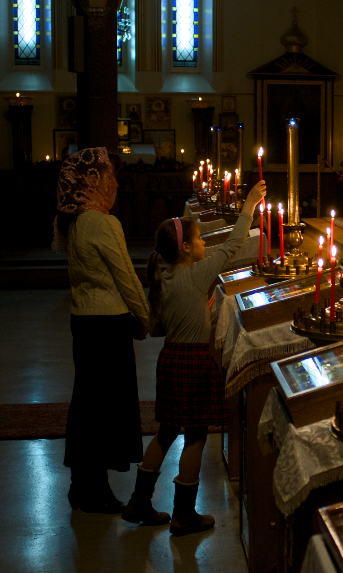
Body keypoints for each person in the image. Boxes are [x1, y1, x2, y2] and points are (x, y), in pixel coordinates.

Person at [122, 179, 266, 536]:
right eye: (200, 239)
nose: (205, 243)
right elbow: (234, 244)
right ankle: (184, 514)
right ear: (185, 248)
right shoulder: (197, 273)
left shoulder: (166, 274)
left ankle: (139, 502)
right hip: (193, 362)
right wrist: (248, 205)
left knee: (167, 431)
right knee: (196, 436)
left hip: (170, 359)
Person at [54, 147, 149, 513]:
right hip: (108, 324)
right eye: (111, 177)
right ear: (93, 181)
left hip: (84, 321)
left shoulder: (76, 221)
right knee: (105, 410)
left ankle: (84, 486)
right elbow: (126, 277)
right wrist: (145, 318)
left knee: (87, 407)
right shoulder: (103, 223)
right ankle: (96, 491)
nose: (116, 184)